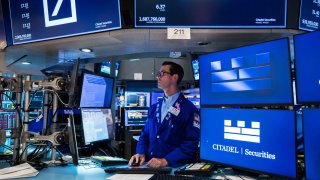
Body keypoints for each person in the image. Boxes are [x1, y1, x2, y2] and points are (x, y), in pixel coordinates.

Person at [129, 61, 200, 168]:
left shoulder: (189, 109)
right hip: (150, 166)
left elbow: (190, 144)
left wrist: (165, 160)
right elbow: (144, 135)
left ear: (174, 77)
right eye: (158, 74)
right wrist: (141, 153)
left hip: (174, 168)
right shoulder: (153, 108)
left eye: (162, 73)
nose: (158, 77)